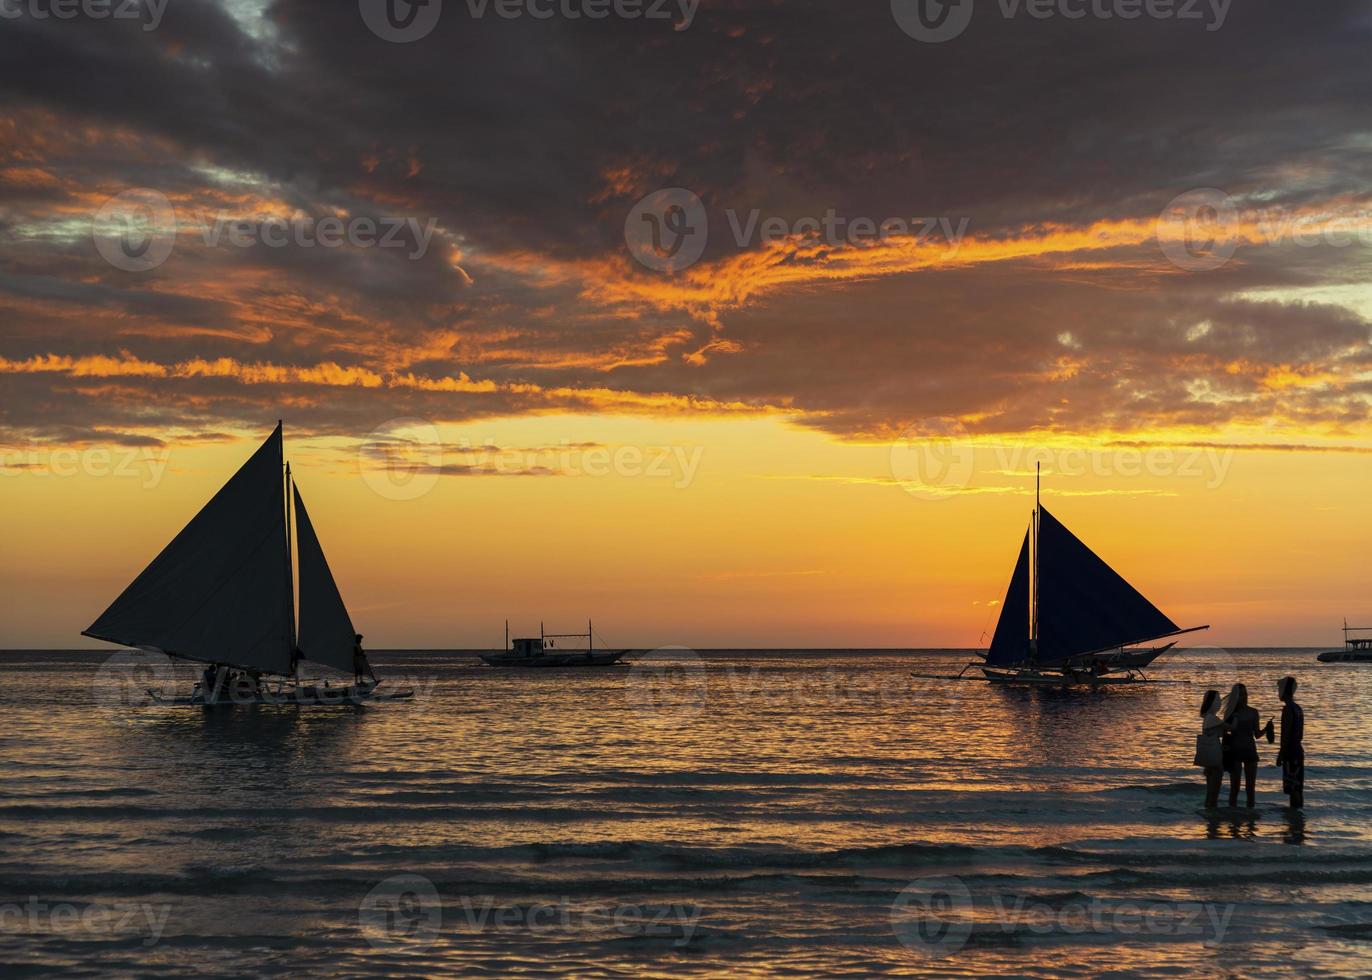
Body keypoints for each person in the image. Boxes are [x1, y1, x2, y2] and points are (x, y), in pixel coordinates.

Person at [1222, 683, 1274, 809]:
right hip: (1235, 752)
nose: (1244, 697)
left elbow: (1256, 734)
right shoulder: (1230, 714)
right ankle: (1233, 820)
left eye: (1245, 694)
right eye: (1241, 694)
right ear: (1236, 697)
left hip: (1250, 750)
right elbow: (1224, 735)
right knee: (1235, 787)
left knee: (1250, 788)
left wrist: (1266, 729)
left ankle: (1250, 821)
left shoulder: (1253, 712)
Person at [1276, 676, 1305, 809]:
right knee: (1298, 786)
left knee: (1292, 786)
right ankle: (1298, 817)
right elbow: (1300, 734)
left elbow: (1285, 734)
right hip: (1298, 750)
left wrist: (1281, 754)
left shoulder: (1287, 709)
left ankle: (1295, 816)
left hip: (1291, 752)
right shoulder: (1298, 708)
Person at [1196, 689, 1226, 808]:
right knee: (1214, 792)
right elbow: (1231, 727)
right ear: (1212, 702)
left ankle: (1210, 818)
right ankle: (1212, 820)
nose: (1219, 702)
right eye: (1217, 699)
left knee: (1210, 791)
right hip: (1215, 756)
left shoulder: (1208, 718)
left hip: (1209, 757)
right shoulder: (1212, 718)